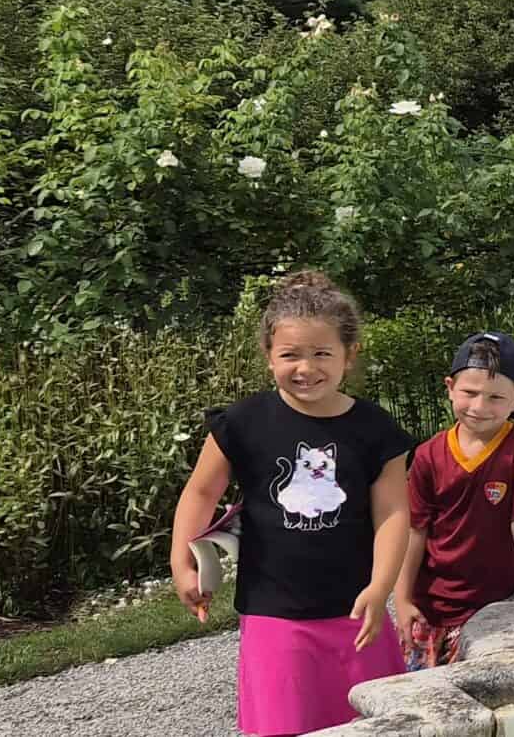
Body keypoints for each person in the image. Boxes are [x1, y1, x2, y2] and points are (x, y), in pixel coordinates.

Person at [169, 272, 414, 736]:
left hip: (357, 611)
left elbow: (393, 514)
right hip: (274, 615)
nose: (306, 367)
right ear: (268, 355)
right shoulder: (242, 423)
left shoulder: (376, 430)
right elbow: (201, 493)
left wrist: (381, 586)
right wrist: (181, 561)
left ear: (349, 354)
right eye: (290, 355)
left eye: (321, 353)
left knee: (378, 725)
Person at [396, 333, 514, 669]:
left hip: (489, 610)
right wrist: (401, 599)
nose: (479, 407)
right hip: (427, 607)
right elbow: (415, 530)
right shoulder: (428, 455)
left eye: (495, 397)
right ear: (450, 388)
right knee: (423, 691)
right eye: (470, 393)